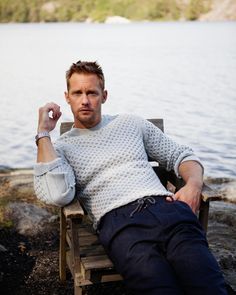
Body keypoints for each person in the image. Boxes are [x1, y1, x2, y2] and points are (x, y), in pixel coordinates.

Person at [34, 61, 227, 295]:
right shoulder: (62, 148)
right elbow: (57, 194)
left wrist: (194, 185)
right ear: (67, 97)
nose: (85, 100)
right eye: (78, 93)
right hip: (121, 223)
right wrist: (43, 134)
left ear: (104, 96)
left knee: (209, 285)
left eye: (92, 92)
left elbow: (182, 155)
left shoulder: (130, 123)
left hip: (168, 210)